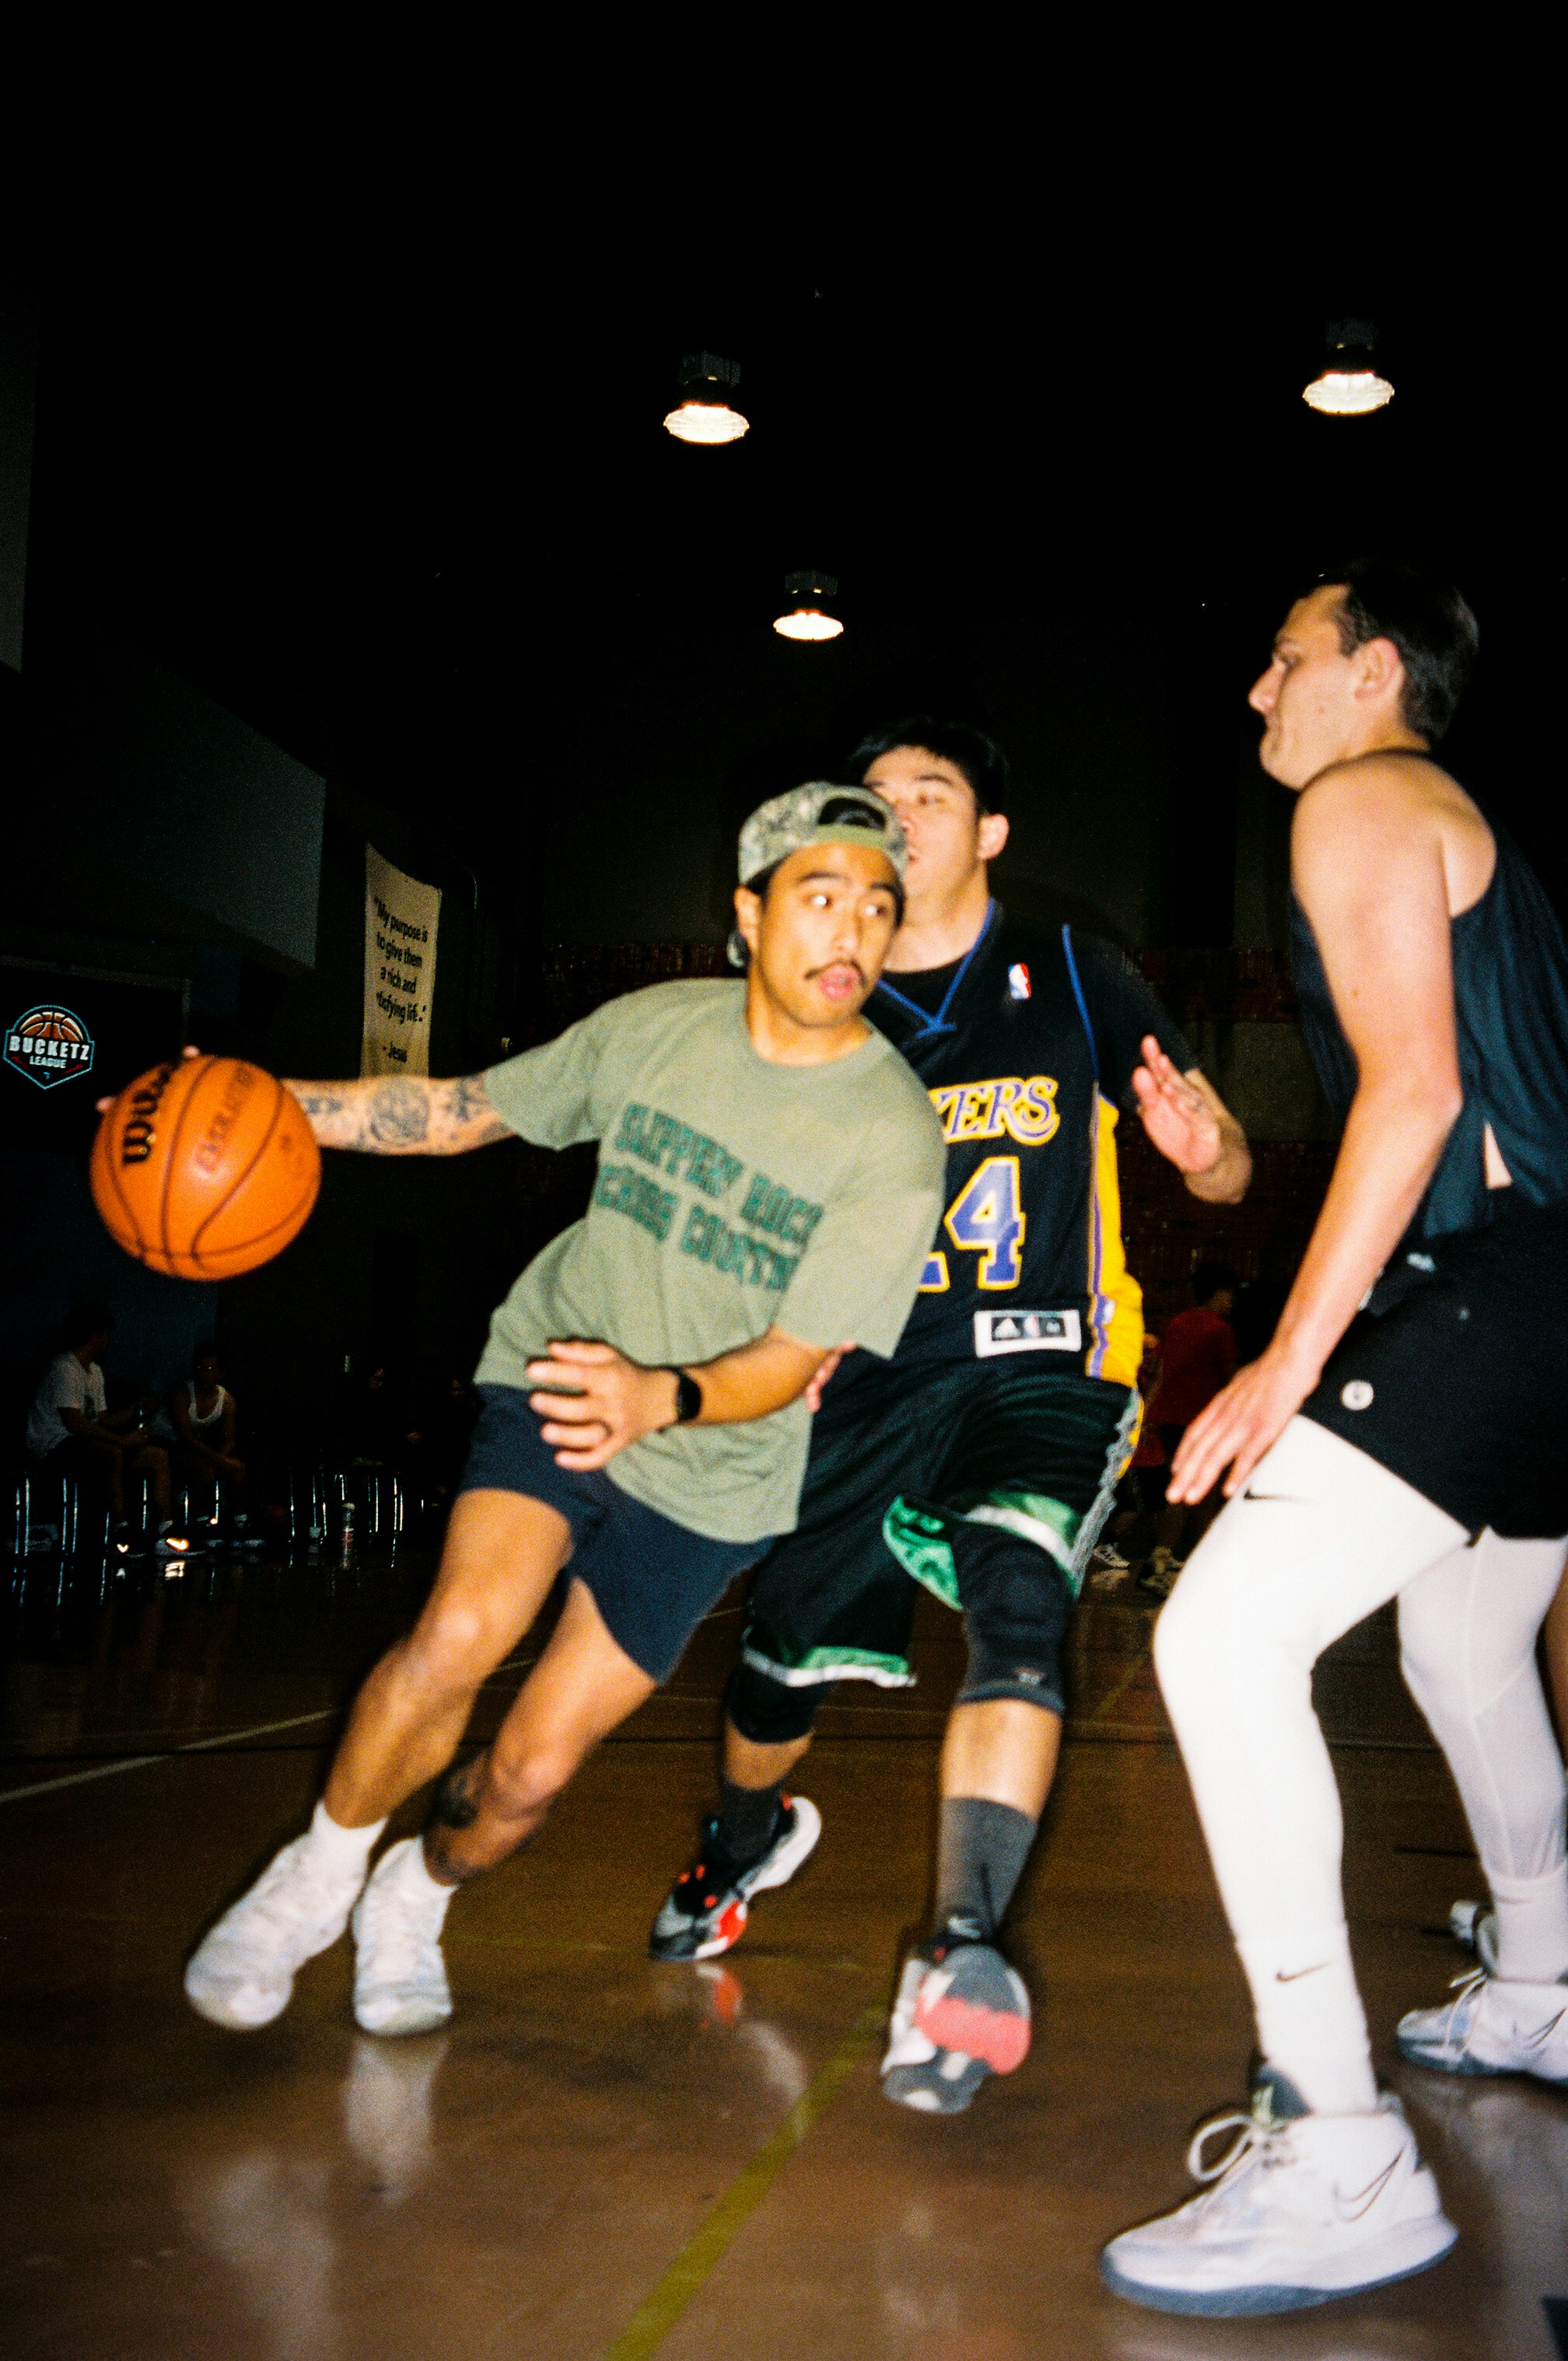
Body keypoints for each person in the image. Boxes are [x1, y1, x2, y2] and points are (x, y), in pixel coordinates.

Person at [184, 786, 945, 2040]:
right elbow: (460, 1112)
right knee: (464, 1630)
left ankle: (412, 1900)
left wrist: (664, 1398)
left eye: (877, 906)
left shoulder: (894, 1134)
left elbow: (796, 1353)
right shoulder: (653, 1033)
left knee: (529, 1775)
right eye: (820, 898)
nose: (852, 931)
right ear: (748, 917)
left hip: (715, 1463)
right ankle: (308, 1886)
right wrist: (260, 1102)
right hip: (561, 1366)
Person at [647, 716, 1251, 2117]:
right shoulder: (813, 1002)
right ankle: (737, 1841)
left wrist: (1206, 1150)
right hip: (860, 1378)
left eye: (937, 794)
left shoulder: (1074, 974)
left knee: (1018, 1589)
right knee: (778, 1664)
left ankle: (966, 1949)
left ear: (988, 835)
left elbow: (1220, 1174)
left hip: (1047, 1360)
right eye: (884, 799)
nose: (904, 815)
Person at [1101, 559, 1568, 2318]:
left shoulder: (1363, 797)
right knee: (1462, 1634)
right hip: (1550, 1296)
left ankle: (1339, 2144)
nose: (1258, 694)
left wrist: (1292, 1353)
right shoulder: (1465, 824)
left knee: (1218, 1635)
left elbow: (1421, 1090)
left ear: (1373, 673)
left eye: (1283, 660)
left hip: (1509, 1282)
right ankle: (1542, 1978)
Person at [25, 1304, 184, 1558]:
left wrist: (135, 1409)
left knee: (157, 1456)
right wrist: (123, 1440)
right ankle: (121, 1530)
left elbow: (100, 1420)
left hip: (84, 1442)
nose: (108, 1341)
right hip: (55, 1444)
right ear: (96, 1335)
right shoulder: (65, 1369)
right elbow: (74, 1423)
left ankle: (166, 1532)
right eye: (106, 1334)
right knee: (112, 1451)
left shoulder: (95, 1372)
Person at [1139, 1259, 1237, 1594]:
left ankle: (1171, 1561)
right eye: (1228, 1294)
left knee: (1179, 1492)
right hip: (1200, 1423)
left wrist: (1148, 1416)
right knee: (1201, 1494)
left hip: (1169, 1420)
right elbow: (1229, 1379)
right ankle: (1173, 1561)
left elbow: (1160, 1373)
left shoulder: (1178, 1323)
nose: (1231, 1300)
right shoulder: (1218, 1329)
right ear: (1219, 1294)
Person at [156, 1344, 261, 1547]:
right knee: (203, 1467)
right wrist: (217, 1460)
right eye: (200, 1368)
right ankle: (202, 1523)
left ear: (222, 1372)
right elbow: (185, 1437)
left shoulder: (227, 1400)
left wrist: (220, 1460)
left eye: (210, 1369)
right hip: (166, 1443)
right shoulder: (182, 1393)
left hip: (193, 1447)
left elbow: (229, 1439)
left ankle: (241, 1523)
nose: (204, 1374)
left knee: (237, 1467)